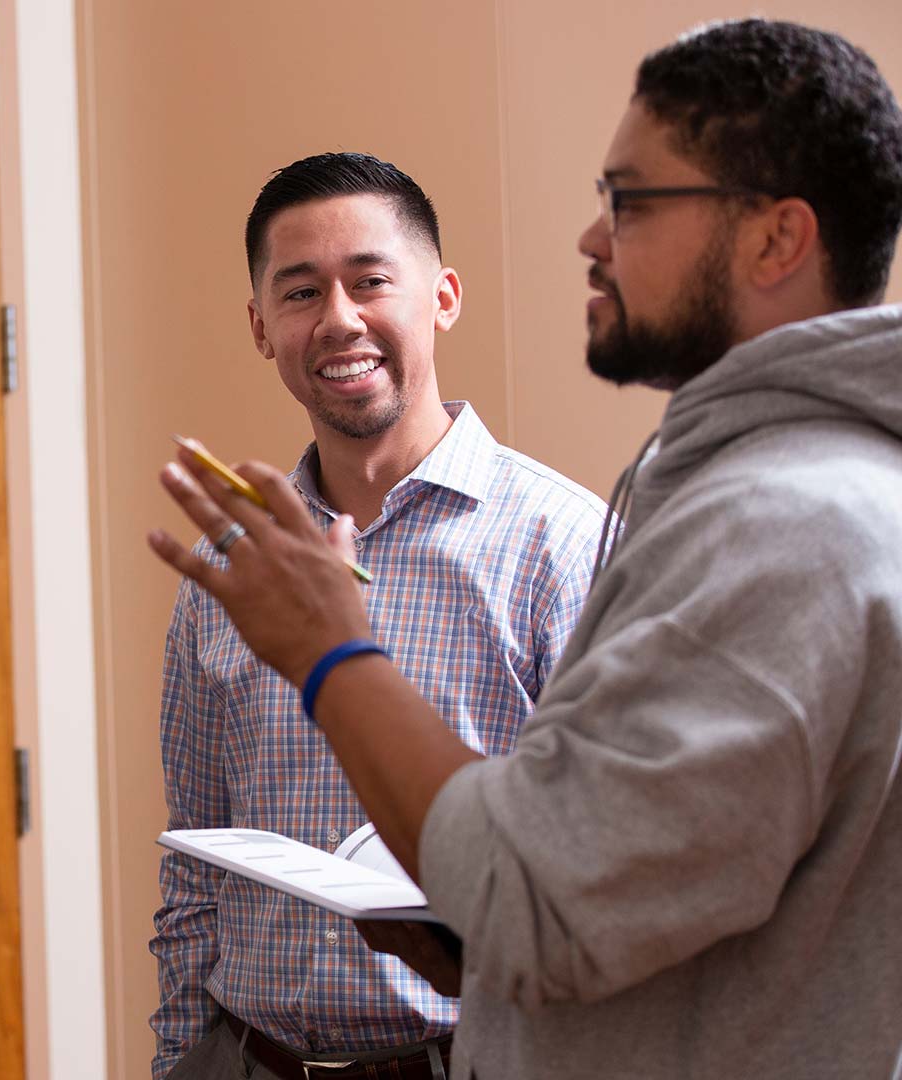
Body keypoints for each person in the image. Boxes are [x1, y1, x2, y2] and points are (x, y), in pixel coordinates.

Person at [148, 18, 902, 1078]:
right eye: (301, 289)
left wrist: (331, 653)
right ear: (262, 323)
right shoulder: (767, 497)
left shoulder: (787, 532)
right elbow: (642, 893)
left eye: (630, 202)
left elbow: (545, 895)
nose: (593, 240)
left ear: (778, 239)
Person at [151, 154, 606, 1080]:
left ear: (441, 298)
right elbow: (194, 867)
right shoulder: (226, 565)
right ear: (260, 327)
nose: (340, 320)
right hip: (249, 1059)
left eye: (370, 281)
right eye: (302, 292)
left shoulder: (566, 546)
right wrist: (177, 1060)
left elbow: (601, 871)